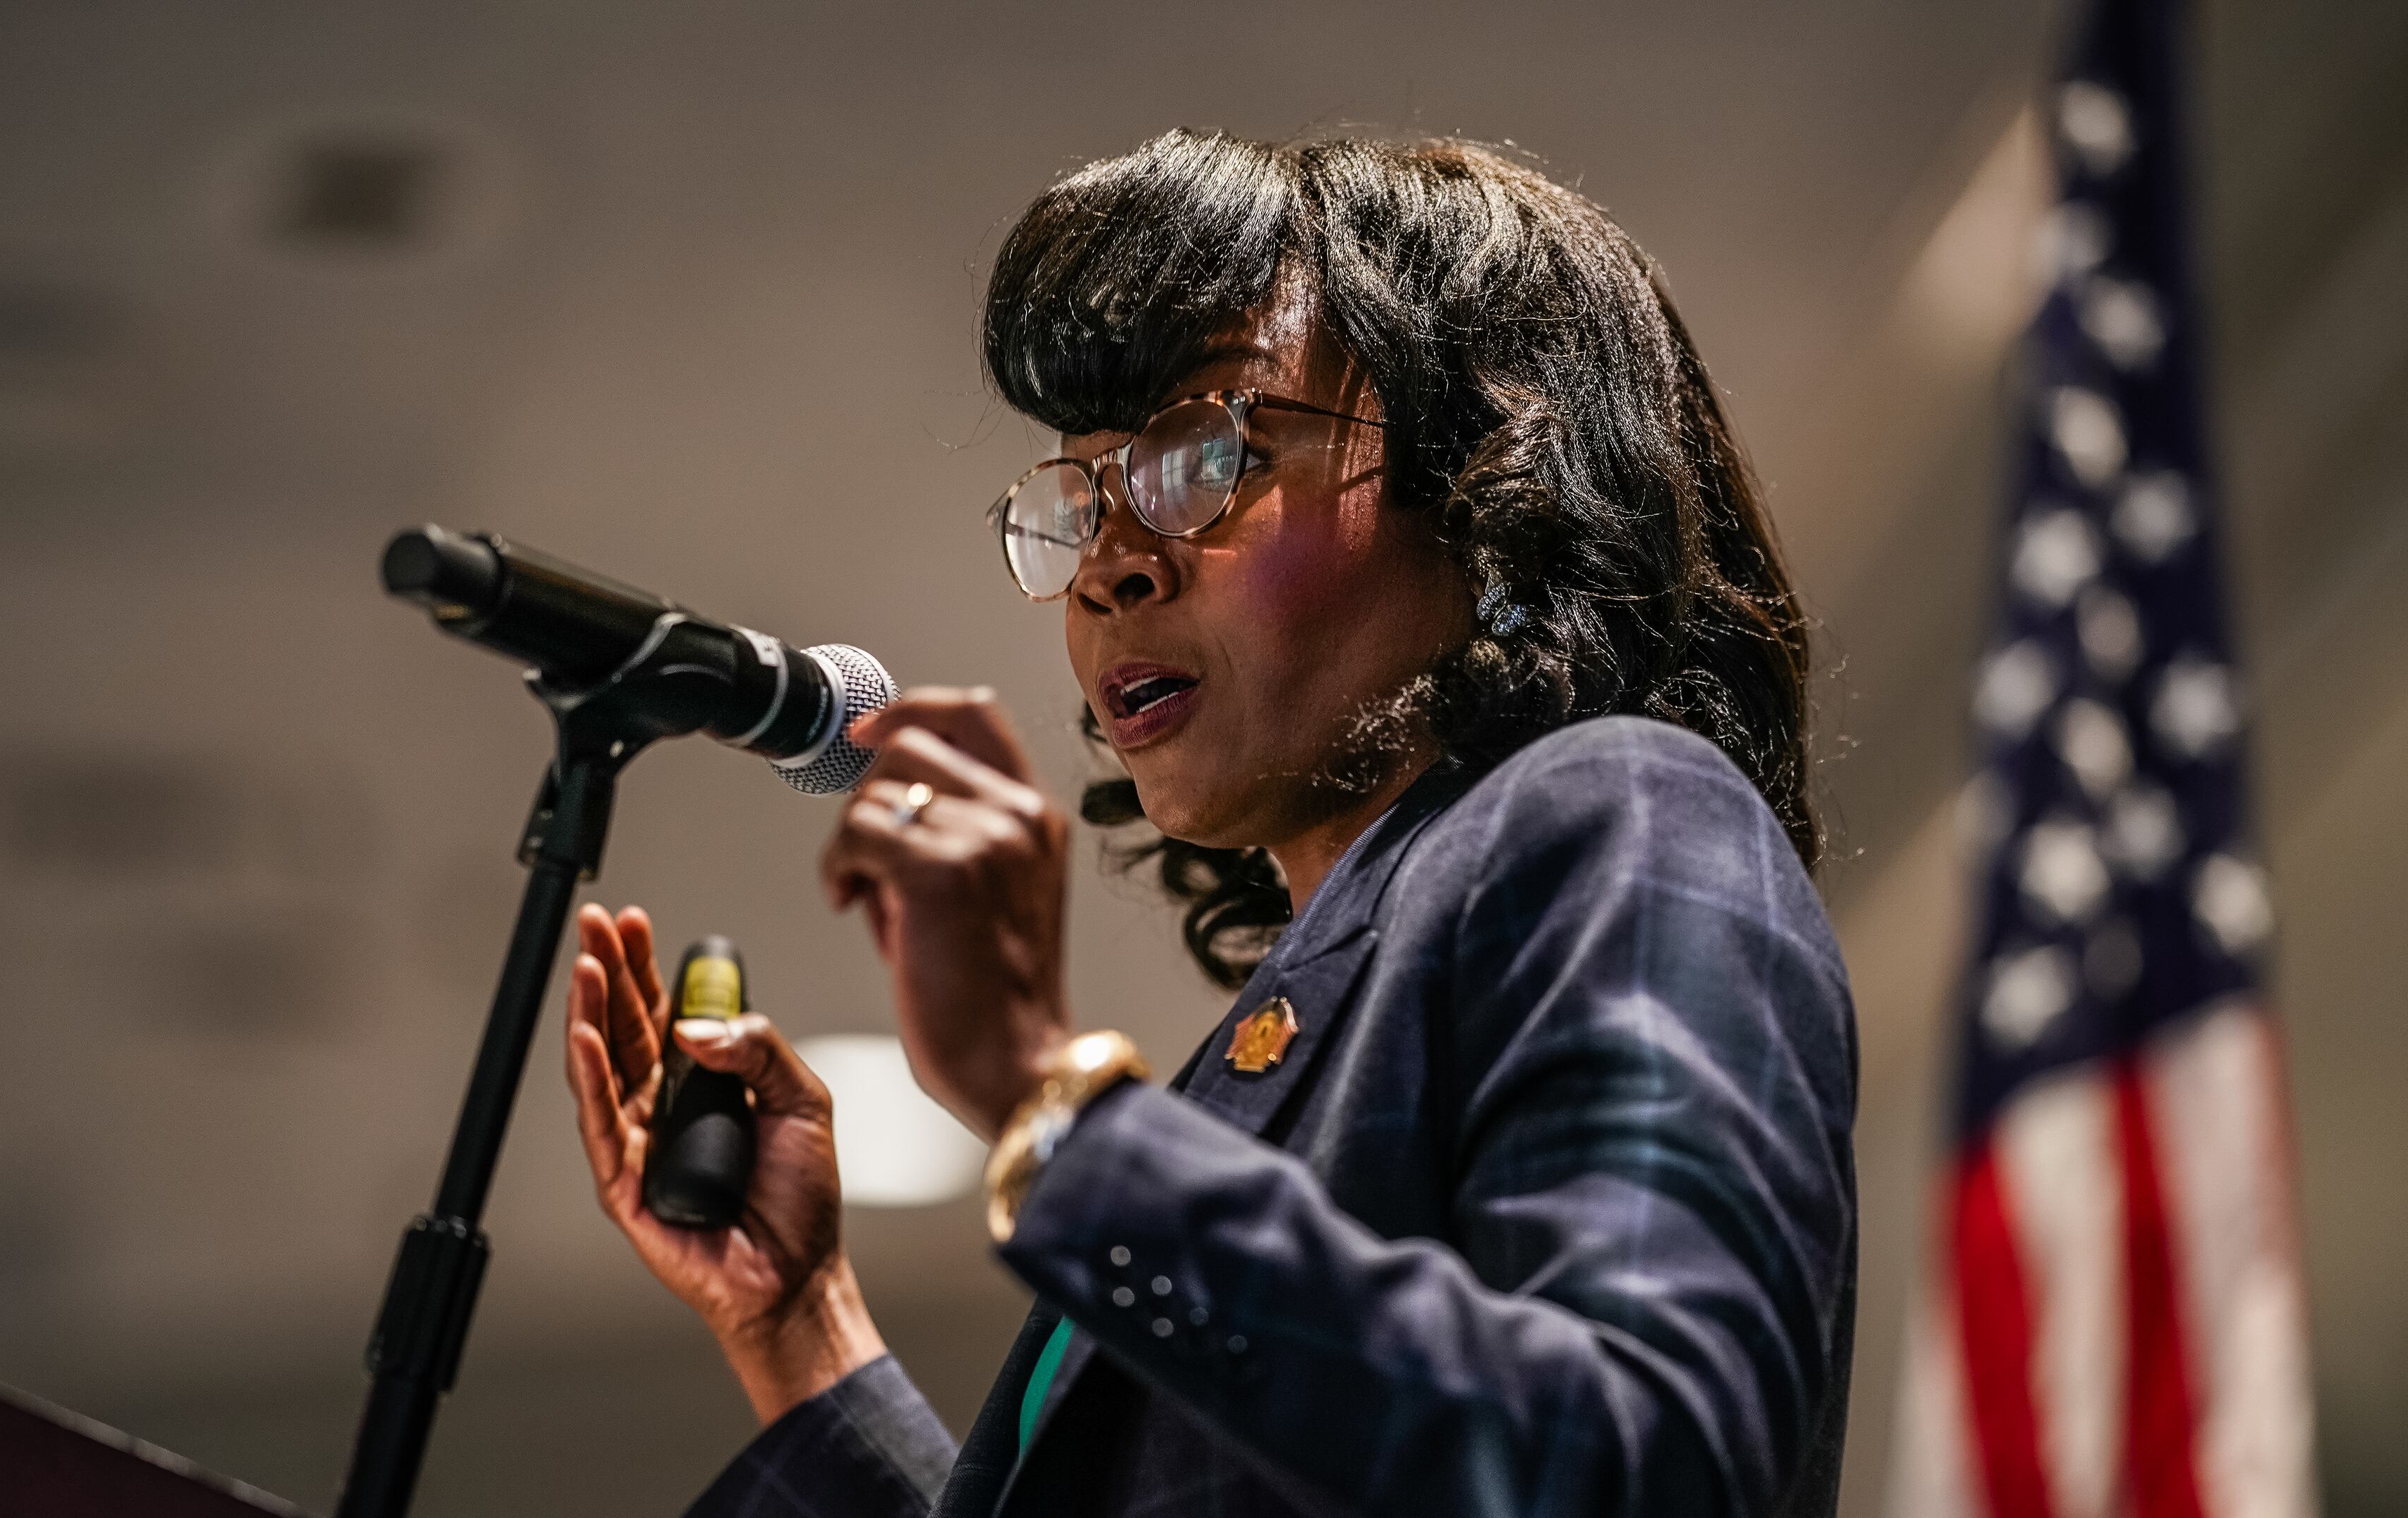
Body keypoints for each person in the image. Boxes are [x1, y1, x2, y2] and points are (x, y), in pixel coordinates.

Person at [562, 129, 1858, 1518]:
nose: (1109, 567)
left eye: (1201, 458)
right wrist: (801, 1329)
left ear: (1493, 484)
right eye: (1079, 500)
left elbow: (1643, 1470)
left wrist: (1052, 1102)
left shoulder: (1629, 817)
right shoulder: (1228, 1084)